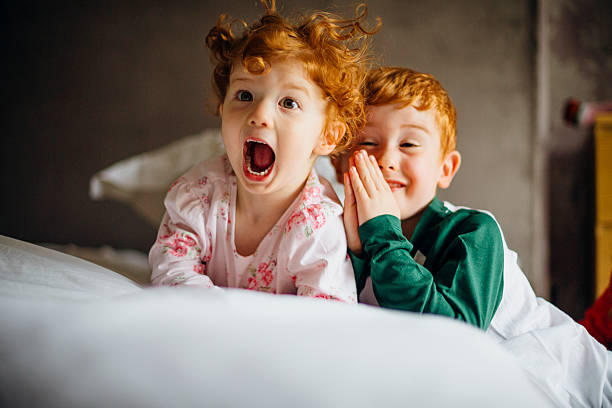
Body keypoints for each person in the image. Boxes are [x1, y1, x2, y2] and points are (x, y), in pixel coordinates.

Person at [334, 66, 611, 406]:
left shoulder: (474, 230)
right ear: (341, 163)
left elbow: (454, 338)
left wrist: (381, 236)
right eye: (367, 143)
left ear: (445, 168)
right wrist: (359, 253)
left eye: (408, 144)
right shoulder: (341, 232)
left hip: (557, 376)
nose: (386, 159)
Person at [149, 0, 379, 302]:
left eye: (288, 103)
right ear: (222, 110)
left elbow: (326, 312)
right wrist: (220, 314)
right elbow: (170, 271)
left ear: (326, 136)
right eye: (244, 95)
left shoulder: (317, 223)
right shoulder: (200, 194)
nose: (258, 114)